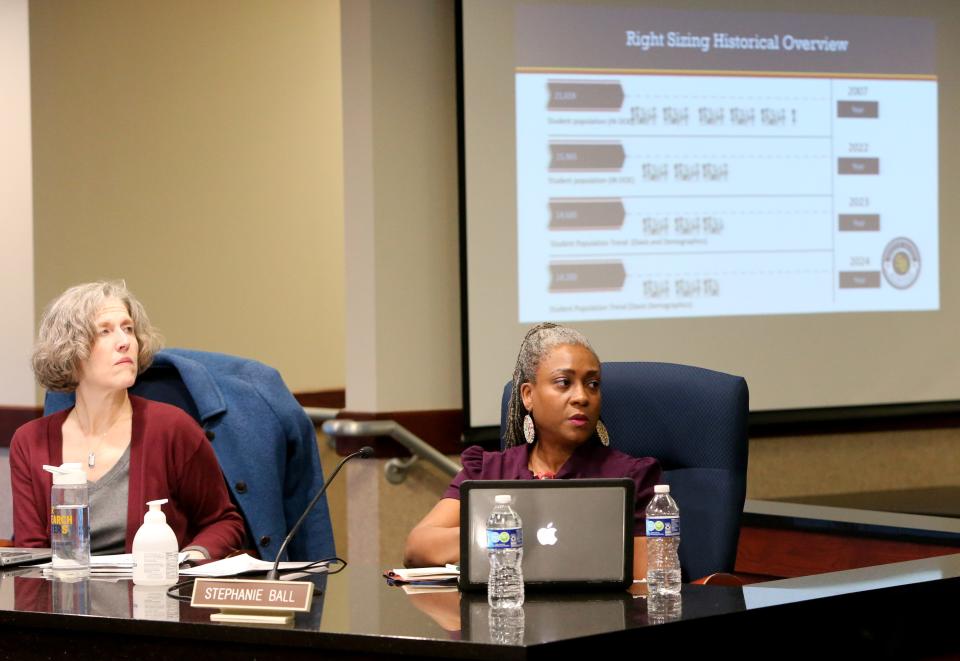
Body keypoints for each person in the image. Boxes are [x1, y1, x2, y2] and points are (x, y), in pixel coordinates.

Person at [9, 281, 245, 559]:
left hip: (154, 594)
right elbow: (30, 552)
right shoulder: (29, 442)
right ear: (70, 352)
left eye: (128, 328)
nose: (125, 342)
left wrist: (192, 558)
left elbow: (223, 522)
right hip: (63, 596)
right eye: (105, 331)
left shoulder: (172, 428)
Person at [404, 323, 661, 578]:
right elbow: (418, 547)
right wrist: (505, 535)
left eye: (592, 384)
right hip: (502, 612)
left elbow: (649, 582)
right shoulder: (487, 470)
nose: (582, 397)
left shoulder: (630, 476)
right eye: (564, 382)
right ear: (528, 395)